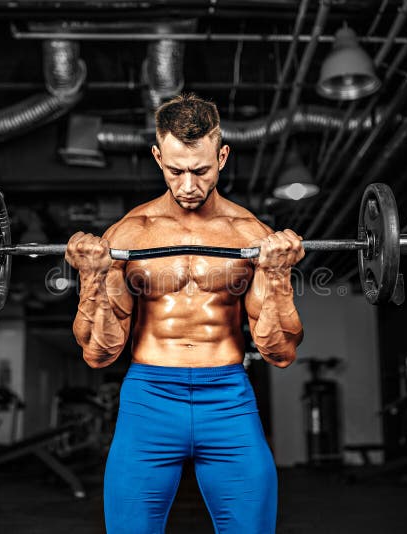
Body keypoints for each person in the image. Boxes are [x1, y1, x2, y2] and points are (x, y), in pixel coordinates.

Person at [65, 93, 305, 534]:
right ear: (158, 156)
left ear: (223, 156)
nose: (188, 185)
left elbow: (281, 353)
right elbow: (99, 355)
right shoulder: (128, 235)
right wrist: (91, 280)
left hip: (228, 400)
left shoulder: (250, 235)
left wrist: (279, 277)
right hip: (149, 401)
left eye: (201, 170)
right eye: (175, 170)